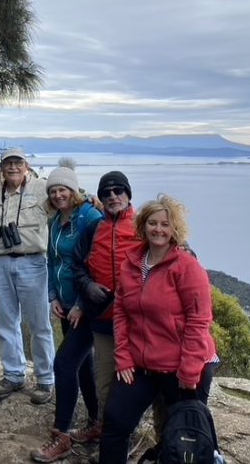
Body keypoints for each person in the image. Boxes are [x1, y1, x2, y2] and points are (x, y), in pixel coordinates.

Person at [98, 195, 218, 464]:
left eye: (165, 224)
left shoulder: (187, 267)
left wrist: (188, 373)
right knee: (115, 423)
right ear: (143, 225)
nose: (158, 229)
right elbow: (121, 312)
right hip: (141, 365)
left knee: (183, 435)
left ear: (175, 229)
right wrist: (124, 356)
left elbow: (199, 321)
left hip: (182, 367)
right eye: (152, 223)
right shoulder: (131, 264)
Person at [30, 165, 104, 462]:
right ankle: (96, 423)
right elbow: (52, 261)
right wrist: (53, 297)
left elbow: (96, 267)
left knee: (63, 364)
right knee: (83, 364)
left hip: (85, 307)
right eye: (53, 190)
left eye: (63, 189)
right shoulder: (56, 221)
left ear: (74, 191)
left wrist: (81, 305)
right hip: (65, 304)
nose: (58, 194)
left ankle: (62, 434)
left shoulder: (90, 218)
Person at [0, 147, 55, 403]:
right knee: (6, 323)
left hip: (33, 263)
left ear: (26, 165)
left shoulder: (42, 189)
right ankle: (13, 375)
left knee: (39, 324)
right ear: (1, 167)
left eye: (18, 162)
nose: (13, 167)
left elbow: (69, 201)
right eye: (8, 163)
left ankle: (45, 379)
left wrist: (91, 201)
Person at [70, 170, 142, 444]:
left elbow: (171, 254)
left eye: (118, 191)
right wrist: (87, 285)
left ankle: (128, 433)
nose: (112, 197)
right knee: (104, 380)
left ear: (128, 194)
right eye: (106, 193)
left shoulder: (142, 226)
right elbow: (76, 265)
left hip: (137, 321)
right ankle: (103, 427)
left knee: (134, 382)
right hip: (102, 319)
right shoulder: (93, 228)